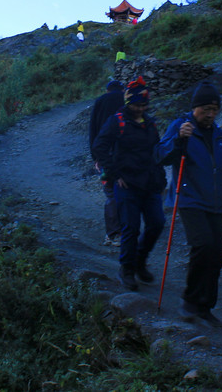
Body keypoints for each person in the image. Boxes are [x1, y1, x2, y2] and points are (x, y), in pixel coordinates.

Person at [156, 82, 222, 327]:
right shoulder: (181, 127)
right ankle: (190, 300)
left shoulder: (220, 135)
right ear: (195, 108)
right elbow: (160, 155)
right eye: (206, 108)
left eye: (214, 109)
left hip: (216, 202)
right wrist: (178, 141)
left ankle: (205, 306)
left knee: (217, 253)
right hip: (189, 198)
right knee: (203, 245)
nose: (211, 113)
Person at [91, 77, 165, 291]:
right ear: (127, 102)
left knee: (157, 223)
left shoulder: (150, 123)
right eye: (136, 105)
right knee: (130, 227)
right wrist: (113, 174)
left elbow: (156, 152)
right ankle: (127, 269)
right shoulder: (117, 121)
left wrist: (161, 179)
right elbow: (99, 146)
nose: (140, 109)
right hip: (127, 184)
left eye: (143, 105)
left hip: (150, 183)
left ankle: (140, 261)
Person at [89, 79, 125, 245]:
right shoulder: (126, 100)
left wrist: (95, 157)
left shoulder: (100, 101)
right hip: (125, 156)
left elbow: (93, 130)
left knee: (110, 193)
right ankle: (125, 231)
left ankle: (112, 234)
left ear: (107, 89)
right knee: (125, 191)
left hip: (105, 156)